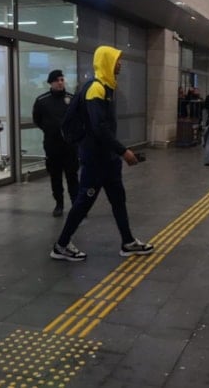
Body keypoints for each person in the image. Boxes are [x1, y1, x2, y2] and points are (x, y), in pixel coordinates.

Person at [50, 45, 153, 262]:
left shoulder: (107, 87)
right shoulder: (95, 89)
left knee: (118, 199)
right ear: (106, 61)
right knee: (84, 202)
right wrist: (123, 151)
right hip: (95, 160)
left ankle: (128, 242)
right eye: (116, 60)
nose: (120, 63)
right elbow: (99, 128)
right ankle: (61, 245)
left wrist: (117, 154)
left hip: (108, 159)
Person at [33, 69, 79, 217]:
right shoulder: (42, 100)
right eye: (56, 80)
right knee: (55, 177)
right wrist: (49, 129)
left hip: (70, 146)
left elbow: (78, 119)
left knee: (72, 176)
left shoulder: (72, 99)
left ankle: (77, 205)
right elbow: (37, 119)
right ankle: (59, 204)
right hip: (52, 145)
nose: (60, 83)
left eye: (61, 80)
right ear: (50, 83)